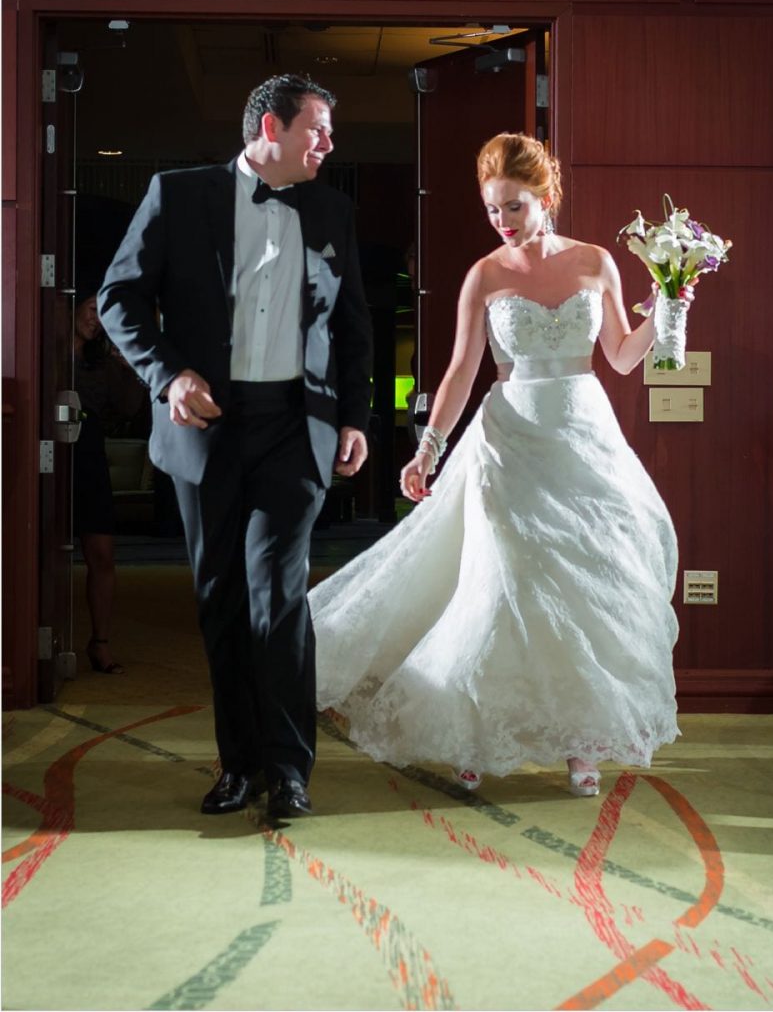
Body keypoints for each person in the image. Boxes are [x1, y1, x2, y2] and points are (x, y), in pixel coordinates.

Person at [309, 133, 680, 797]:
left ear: (545, 197)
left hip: (582, 438)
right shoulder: (484, 274)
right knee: (501, 583)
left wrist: (671, 300)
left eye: (513, 206)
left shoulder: (596, 263)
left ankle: (582, 741)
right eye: (492, 210)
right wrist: (428, 447)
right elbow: (460, 370)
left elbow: (623, 356)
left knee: (580, 589)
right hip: (509, 440)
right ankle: (474, 731)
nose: (503, 221)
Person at [99, 74, 373, 820]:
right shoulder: (177, 193)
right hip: (204, 427)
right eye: (317, 128)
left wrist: (355, 417)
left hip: (295, 426)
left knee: (277, 596)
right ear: (271, 128)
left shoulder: (332, 209)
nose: (328, 143)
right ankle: (240, 765)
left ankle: (290, 771)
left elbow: (353, 328)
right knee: (221, 598)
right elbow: (116, 297)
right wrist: (167, 376)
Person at [71, 292, 146, 675]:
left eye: (104, 315)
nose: (96, 319)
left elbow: (131, 407)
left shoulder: (102, 362)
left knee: (101, 553)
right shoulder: (42, 350)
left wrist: (128, 365)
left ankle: (99, 643)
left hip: (88, 455)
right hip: (49, 451)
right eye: (91, 308)